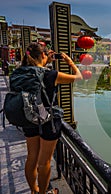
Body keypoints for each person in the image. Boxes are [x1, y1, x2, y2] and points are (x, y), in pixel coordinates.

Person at [21, 42, 82, 194]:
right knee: (44, 162)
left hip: (28, 117)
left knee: (31, 158)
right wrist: (69, 61)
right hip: (47, 120)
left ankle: (34, 190)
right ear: (43, 55)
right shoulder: (51, 75)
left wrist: (45, 61)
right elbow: (78, 77)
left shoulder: (21, 71)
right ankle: (43, 193)